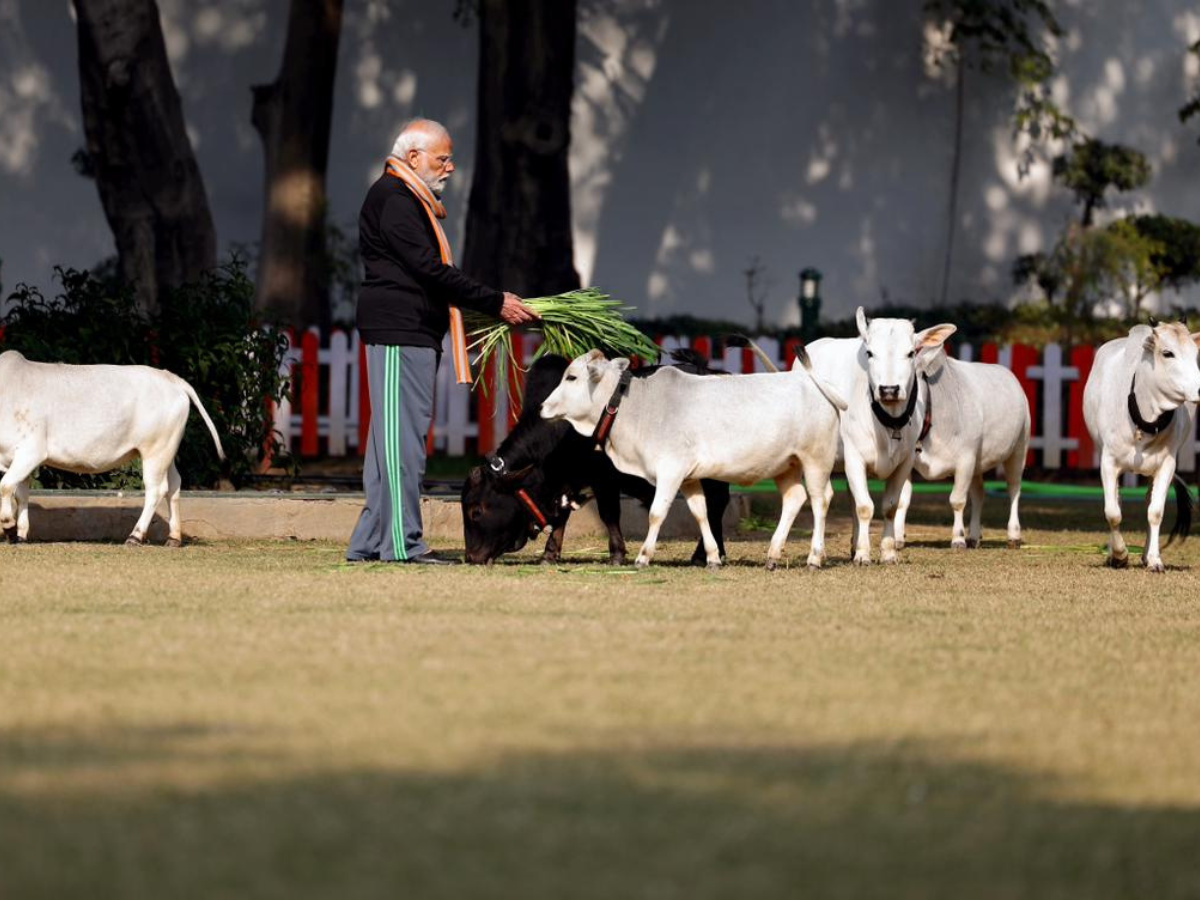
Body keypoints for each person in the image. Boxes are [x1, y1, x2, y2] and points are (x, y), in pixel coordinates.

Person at [347, 118, 539, 565]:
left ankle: (369, 544)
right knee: (401, 448)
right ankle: (403, 545)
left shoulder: (406, 199)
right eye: (443, 158)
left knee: (388, 446)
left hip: (409, 330)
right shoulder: (395, 199)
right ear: (413, 157)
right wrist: (495, 301)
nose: (451, 167)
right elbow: (428, 270)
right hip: (400, 330)